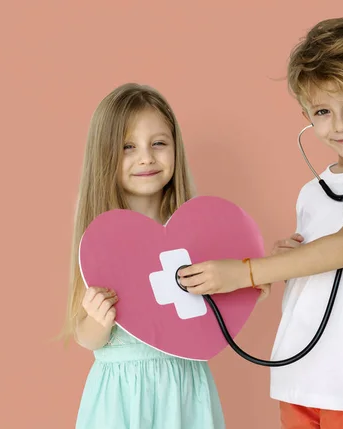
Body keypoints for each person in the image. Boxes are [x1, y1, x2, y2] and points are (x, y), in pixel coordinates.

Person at [178, 18, 343, 429]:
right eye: (323, 112)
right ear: (305, 115)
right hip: (298, 378)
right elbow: (318, 268)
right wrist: (286, 262)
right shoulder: (313, 192)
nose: (341, 124)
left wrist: (245, 272)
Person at [62, 82, 242, 429]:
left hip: (186, 386)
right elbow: (85, 336)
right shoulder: (98, 240)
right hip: (122, 395)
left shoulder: (198, 233)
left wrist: (250, 280)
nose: (146, 157)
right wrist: (99, 318)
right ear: (105, 155)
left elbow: (220, 309)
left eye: (159, 143)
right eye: (128, 147)